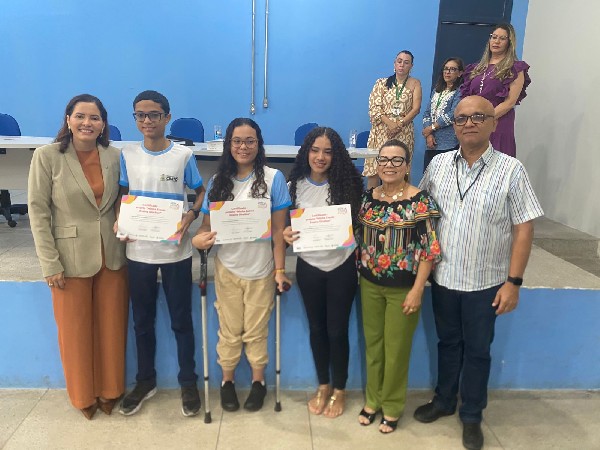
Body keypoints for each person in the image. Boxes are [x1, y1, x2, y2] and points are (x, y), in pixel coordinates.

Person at [414, 95, 543, 450]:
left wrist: (513, 282)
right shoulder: (439, 165)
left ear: (493, 123)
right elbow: (420, 210)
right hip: (444, 278)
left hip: (485, 283)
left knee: (477, 351)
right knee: (447, 344)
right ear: (453, 125)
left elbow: (524, 228)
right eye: (461, 118)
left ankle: (471, 415)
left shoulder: (511, 170)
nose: (468, 123)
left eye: (477, 117)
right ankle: (444, 400)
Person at [28, 94, 128, 420]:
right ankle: (83, 395)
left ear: (103, 124)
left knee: (112, 327)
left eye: (95, 118)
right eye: (81, 116)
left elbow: (123, 200)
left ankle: (111, 390)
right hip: (68, 258)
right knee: (74, 332)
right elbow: (38, 212)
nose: (87, 123)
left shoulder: (115, 156)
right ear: (68, 120)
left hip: (112, 254)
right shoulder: (47, 157)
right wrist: (49, 263)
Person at [192, 118, 291, 413]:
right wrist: (199, 239)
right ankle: (227, 382)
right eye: (237, 141)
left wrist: (280, 270)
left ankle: (259, 382)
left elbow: (278, 231)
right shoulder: (217, 182)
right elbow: (206, 226)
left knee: (257, 331)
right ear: (229, 144)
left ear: (258, 144)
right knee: (229, 329)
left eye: (250, 141)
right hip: (228, 267)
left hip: (262, 268)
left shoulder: (273, 179)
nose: (243, 147)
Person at [117, 90, 205, 417]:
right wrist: (120, 220)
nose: (147, 120)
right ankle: (145, 381)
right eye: (140, 115)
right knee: (142, 322)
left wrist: (191, 216)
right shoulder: (127, 154)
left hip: (175, 253)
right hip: (138, 251)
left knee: (181, 322)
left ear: (167, 117)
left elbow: (201, 192)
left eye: (154, 114)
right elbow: (123, 193)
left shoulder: (183, 155)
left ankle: (188, 383)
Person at [357, 139, 441, 433]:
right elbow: (353, 236)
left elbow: (430, 250)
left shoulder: (420, 201)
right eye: (384, 160)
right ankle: (372, 400)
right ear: (377, 164)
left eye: (396, 160)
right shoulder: (367, 199)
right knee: (373, 347)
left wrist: (418, 290)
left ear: (407, 166)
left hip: (404, 288)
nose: (389, 165)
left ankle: (391, 407)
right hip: (369, 284)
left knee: (396, 350)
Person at [283, 127, 363, 418]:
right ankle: (323, 385)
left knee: (337, 331)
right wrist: (286, 234)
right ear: (306, 152)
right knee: (317, 329)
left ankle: (340, 389)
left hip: (342, 266)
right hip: (309, 267)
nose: (320, 157)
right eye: (315, 150)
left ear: (336, 155)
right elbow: (284, 227)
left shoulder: (350, 184)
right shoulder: (293, 185)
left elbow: (360, 226)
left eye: (328, 151)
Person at [460, 23, 531, 158]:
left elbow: (509, 102)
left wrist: (485, 118)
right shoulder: (475, 68)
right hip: (473, 123)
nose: (496, 41)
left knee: (496, 163)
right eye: (494, 37)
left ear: (509, 42)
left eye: (502, 38)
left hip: (498, 123)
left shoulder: (515, 68)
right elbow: (466, 98)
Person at [363, 50, 422, 189]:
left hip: (404, 132)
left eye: (406, 62)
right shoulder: (381, 83)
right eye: (399, 61)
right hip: (381, 131)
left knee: (401, 170)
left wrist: (399, 125)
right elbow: (374, 108)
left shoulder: (415, 83)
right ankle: (371, 201)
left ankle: (401, 201)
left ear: (411, 66)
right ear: (394, 63)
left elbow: (416, 109)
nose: (402, 65)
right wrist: (390, 124)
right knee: (375, 169)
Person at [422, 57, 464, 171]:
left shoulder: (460, 90)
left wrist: (432, 128)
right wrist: (429, 134)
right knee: (429, 176)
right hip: (431, 143)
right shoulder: (436, 90)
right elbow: (427, 113)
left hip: (449, 143)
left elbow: (454, 113)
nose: (447, 72)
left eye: (452, 69)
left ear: (460, 73)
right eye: (445, 69)